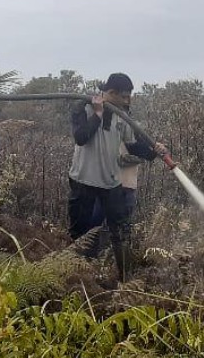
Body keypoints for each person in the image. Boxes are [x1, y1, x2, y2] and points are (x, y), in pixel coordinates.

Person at [69, 72, 166, 283]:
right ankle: (81, 281)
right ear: (110, 93)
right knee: (81, 235)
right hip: (83, 181)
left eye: (129, 96)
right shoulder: (82, 107)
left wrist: (153, 151)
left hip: (111, 183)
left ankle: (126, 282)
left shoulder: (122, 116)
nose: (127, 100)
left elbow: (133, 145)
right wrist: (97, 113)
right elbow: (81, 138)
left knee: (121, 233)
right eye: (123, 96)